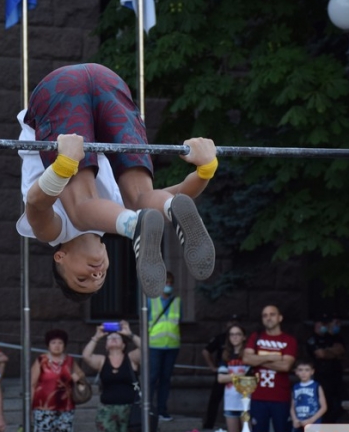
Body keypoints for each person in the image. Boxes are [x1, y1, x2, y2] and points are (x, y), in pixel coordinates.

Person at [16, 63, 218, 301]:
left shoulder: (54, 232)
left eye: (82, 279)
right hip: (107, 81)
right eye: (101, 277)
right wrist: (205, 170)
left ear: (60, 257)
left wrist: (62, 166)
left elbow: (36, 202)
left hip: (61, 88)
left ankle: (134, 226)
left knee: (82, 207)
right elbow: (181, 192)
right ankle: (159, 211)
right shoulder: (109, 213)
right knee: (141, 200)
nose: (96, 274)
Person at [81, 321, 141, 432]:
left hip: (129, 409)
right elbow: (86, 356)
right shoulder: (102, 361)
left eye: (117, 337)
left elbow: (146, 350)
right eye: (110, 338)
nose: (113, 339)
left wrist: (129, 333)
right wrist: (97, 336)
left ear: (123, 344)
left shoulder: (131, 359)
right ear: (106, 345)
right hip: (107, 410)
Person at [30, 329, 85, 432]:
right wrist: (29, 409)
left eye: (60, 343)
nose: (57, 346)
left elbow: (81, 377)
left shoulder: (70, 361)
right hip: (43, 407)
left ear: (64, 345)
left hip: (66, 407)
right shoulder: (41, 360)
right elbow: (32, 384)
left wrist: (77, 377)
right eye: (53, 342)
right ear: (48, 344)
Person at [243, 304, 297, 432]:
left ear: (280, 318)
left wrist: (258, 360)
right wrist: (272, 357)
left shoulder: (288, 340)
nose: (268, 318)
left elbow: (285, 366)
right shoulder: (256, 337)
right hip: (258, 396)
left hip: (280, 397)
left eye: (272, 314)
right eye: (265, 315)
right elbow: (247, 359)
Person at [148, 272, 181, 422]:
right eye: (165, 282)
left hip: (172, 345)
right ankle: (148, 408)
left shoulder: (177, 301)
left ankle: (162, 410)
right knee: (153, 377)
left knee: (165, 379)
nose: (168, 286)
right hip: (155, 345)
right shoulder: (151, 301)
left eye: (170, 283)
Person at [201, 314, 241, 430]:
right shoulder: (220, 338)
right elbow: (206, 351)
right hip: (224, 372)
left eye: (236, 322)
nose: (233, 324)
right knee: (215, 399)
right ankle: (209, 424)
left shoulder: (243, 339)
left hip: (239, 374)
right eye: (231, 321)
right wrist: (213, 367)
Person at [306, 314, 347, 423]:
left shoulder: (333, 337)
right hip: (321, 377)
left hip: (336, 376)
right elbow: (321, 354)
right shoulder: (312, 339)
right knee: (325, 404)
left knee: (343, 403)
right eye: (323, 323)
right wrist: (332, 352)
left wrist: (328, 351)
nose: (326, 326)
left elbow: (341, 351)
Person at [215, 323, 251, 432]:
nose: (234, 337)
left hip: (246, 403)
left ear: (244, 337)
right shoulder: (226, 356)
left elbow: (247, 376)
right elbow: (220, 379)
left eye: (238, 334)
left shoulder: (248, 355)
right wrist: (238, 375)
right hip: (230, 402)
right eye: (232, 335)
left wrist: (230, 376)